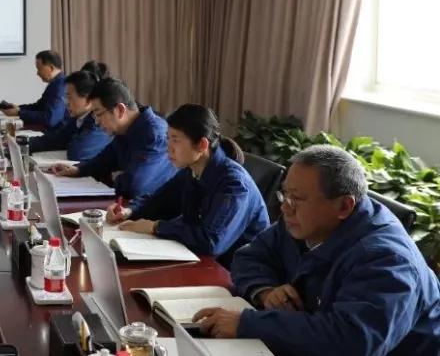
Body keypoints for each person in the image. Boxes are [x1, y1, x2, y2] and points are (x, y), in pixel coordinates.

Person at [195, 145, 440, 356]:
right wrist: (265, 291)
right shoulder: (304, 221)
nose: (285, 208)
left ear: (344, 206)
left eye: (297, 198)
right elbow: (250, 256)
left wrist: (248, 325)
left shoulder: (388, 260)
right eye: (285, 194)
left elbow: (351, 341)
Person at [114, 104, 268, 265]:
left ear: (202, 145)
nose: (168, 148)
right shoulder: (192, 169)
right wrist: (129, 211)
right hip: (197, 259)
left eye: (175, 140)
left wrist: (156, 227)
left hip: (233, 269)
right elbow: (159, 200)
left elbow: (211, 241)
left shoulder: (234, 184)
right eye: (168, 138)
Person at [50, 77, 176, 212]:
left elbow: (134, 186)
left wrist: (112, 176)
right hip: (130, 205)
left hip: (156, 211)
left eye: (99, 114)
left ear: (120, 110)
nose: (97, 122)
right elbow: (104, 160)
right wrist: (78, 169)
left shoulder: (153, 134)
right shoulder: (124, 129)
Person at [27, 62, 114, 163]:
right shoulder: (78, 117)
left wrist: (67, 141)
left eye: (70, 97)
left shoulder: (100, 120)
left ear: (88, 100)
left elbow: (77, 152)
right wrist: (24, 143)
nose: (66, 102)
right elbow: (56, 139)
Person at [0, 50, 67, 129]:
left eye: (39, 69)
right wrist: (19, 108)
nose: (37, 73)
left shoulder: (59, 87)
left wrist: (19, 112)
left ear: (51, 68)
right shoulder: (56, 83)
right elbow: (39, 106)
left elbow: (50, 119)